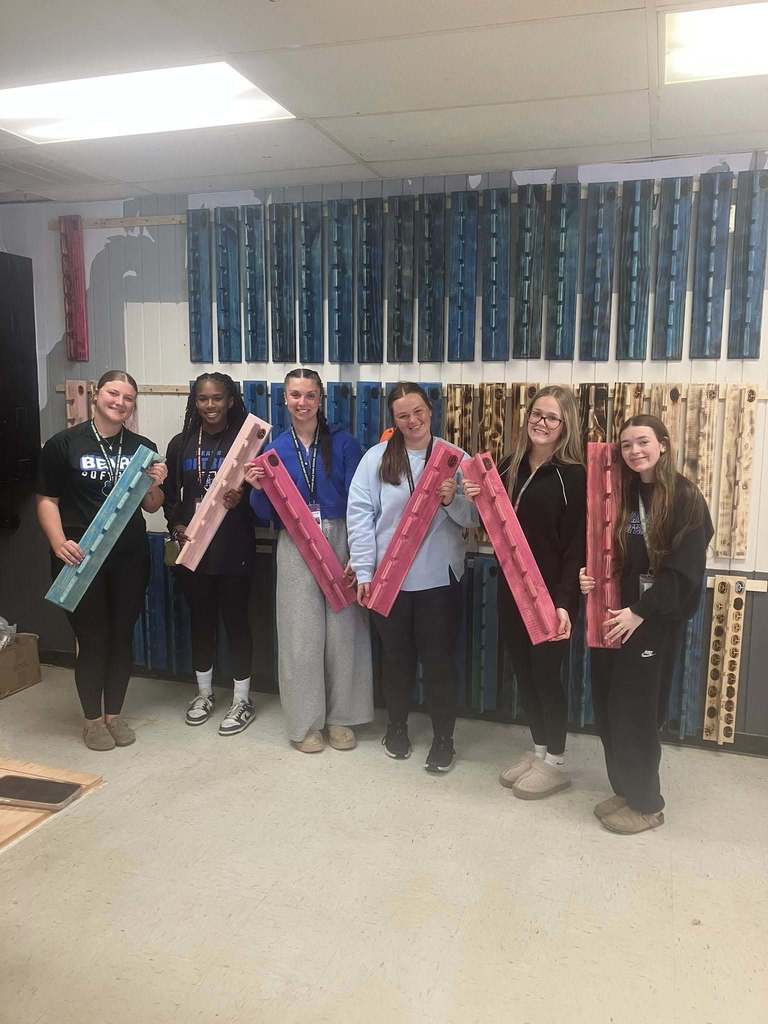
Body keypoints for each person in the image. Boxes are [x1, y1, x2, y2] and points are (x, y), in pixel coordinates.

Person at [580, 415, 713, 835]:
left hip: (651, 621)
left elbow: (683, 572)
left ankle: (647, 804)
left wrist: (641, 611)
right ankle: (626, 788)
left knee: (635, 712)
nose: (635, 451)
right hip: (614, 617)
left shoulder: (686, 498)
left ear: (663, 445)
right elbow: (609, 553)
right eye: (626, 445)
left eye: (643, 442)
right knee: (607, 705)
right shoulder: (622, 491)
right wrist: (590, 578)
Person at [346, 382, 478, 773]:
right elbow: (360, 517)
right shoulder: (376, 458)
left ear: (430, 410)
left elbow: (475, 519)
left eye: (418, 411)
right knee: (396, 660)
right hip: (391, 583)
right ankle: (397, 728)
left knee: (439, 663)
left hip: (440, 580)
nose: (413, 420)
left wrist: (453, 500)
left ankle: (443, 740)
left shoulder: (456, 458)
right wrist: (365, 571)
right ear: (394, 419)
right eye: (403, 415)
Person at [464, 385, 585, 799]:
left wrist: (566, 602)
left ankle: (556, 762)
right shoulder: (509, 463)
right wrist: (470, 498)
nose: (542, 422)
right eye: (537, 414)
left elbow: (577, 547)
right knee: (525, 672)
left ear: (565, 424)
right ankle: (538, 751)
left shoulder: (573, 475)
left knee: (548, 677)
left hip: (551, 596)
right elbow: (491, 521)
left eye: (552, 417)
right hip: (511, 589)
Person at [36, 370, 167, 750]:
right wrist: (58, 542)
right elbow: (47, 500)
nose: (119, 402)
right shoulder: (64, 444)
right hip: (80, 559)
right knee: (92, 640)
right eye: (113, 393)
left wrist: (156, 480)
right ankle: (93, 721)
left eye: (127, 397)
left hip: (129, 558)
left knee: (122, 637)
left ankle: (115, 716)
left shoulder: (142, 447)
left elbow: (152, 505)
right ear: (97, 394)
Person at [245, 368, 373, 753]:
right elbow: (264, 513)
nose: (302, 402)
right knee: (300, 634)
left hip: (341, 536)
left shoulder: (347, 444)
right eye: (295, 395)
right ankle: (305, 722)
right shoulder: (274, 450)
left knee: (344, 631)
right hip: (295, 541)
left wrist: (361, 554)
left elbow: (363, 502)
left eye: (310, 395)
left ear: (321, 399)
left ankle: (341, 717)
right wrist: (255, 488)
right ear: (284, 399)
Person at [164, 373, 257, 736]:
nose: (210, 405)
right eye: (203, 399)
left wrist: (244, 499)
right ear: (195, 402)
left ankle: (242, 699)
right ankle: (204, 694)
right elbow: (171, 496)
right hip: (193, 551)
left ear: (231, 400)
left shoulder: (247, 443)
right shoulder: (181, 443)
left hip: (235, 549)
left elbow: (266, 495)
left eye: (218, 398)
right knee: (200, 621)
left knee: (237, 623)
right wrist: (175, 527)